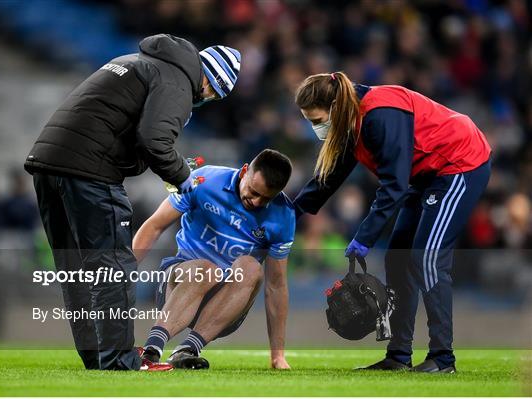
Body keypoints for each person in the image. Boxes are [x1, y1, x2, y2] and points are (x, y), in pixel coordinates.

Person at [24, 34, 241, 371]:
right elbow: (155, 139)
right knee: (113, 266)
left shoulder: (137, 60)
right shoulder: (178, 80)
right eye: (213, 93)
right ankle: (118, 360)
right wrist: (185, 179)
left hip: (48, 162)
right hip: (88, 170)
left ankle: (98, 356)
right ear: (212, 82)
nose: (207, 98)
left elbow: (126, 129)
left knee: (77, 269)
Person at [293, 72, 491, 373]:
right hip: (424, 175)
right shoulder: (350, 121)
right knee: (397, 261)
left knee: (427, 259)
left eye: (317, 119)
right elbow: (329, 177)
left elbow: (394, 187)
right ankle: (398, 355)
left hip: (459, 162)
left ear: (335, 105)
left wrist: (364, 237)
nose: (315, 127)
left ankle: (442, 357)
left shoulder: (380, 114)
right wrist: (290, 213)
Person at [134, 149, 295, 370]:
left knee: (251, 267)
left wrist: (278, 355)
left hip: (226, 304)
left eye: (266, 198)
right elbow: (154, 225)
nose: (256, 203)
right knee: (207, 270)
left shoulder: (283, 216)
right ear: (244, 171)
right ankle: (151, 350)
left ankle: (187, 350)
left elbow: (276, 286)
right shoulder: (205, 180)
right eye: (253, 191)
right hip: (179, 284)